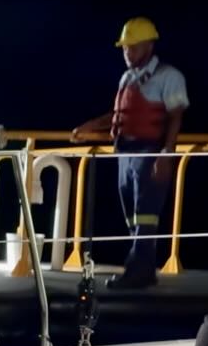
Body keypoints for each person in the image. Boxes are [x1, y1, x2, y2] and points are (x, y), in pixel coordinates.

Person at [73, 17, 189, 289]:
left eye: (133, 47)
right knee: (132, 216)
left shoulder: (169, 76)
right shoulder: (128, 77)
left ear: (149, 46)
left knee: (146, 213)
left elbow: (175, 116)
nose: (127, 52)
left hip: (149, 152)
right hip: (124, 152)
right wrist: (91, 126)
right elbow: (120, 114)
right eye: (125, 47)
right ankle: (143, 269)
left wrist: (166, 154)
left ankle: (137, 272)